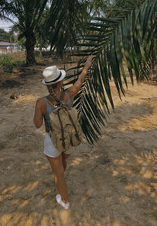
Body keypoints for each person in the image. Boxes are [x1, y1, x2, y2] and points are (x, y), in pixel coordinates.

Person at [33, 55, 93, 209]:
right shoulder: (68, 94)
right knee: (63, 162)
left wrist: (39, 110)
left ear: (47, 85)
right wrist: (86, 65)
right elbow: (80, 81)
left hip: (52, 141)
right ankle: (61, 178)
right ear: (60, 82)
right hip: (68, 138)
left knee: (58, 174)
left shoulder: (41, 102)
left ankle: (64, 201)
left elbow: (37, 124)